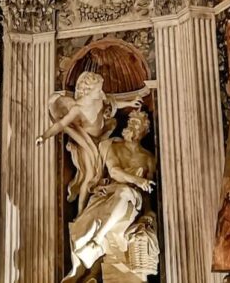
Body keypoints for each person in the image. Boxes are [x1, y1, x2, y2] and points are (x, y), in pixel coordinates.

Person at [63, 110, 157, 282]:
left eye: (135, 123)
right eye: (130, 121)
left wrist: (148, 213)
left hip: (133, 199)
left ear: (144, 130)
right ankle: (96, 247)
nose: (130, 125)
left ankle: (97, 239)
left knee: (126, 192)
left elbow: (147, 192)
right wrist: (136, 179)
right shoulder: (112, 146)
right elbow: (114, 171)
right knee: (122, 192)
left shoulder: (148, 158)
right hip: (109, 193)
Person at [36, 72, 145, 211]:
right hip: (86, 142)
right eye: (98, 90)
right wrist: (44, 136)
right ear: (87, 91)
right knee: (89, 175)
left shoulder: (99, 98)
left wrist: (129, 103)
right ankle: (80, 213)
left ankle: (99, 202)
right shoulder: (77, 108)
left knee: (103, 171)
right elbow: (61, 124)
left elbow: (113, 104)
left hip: (102, 138)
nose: (101, 92)